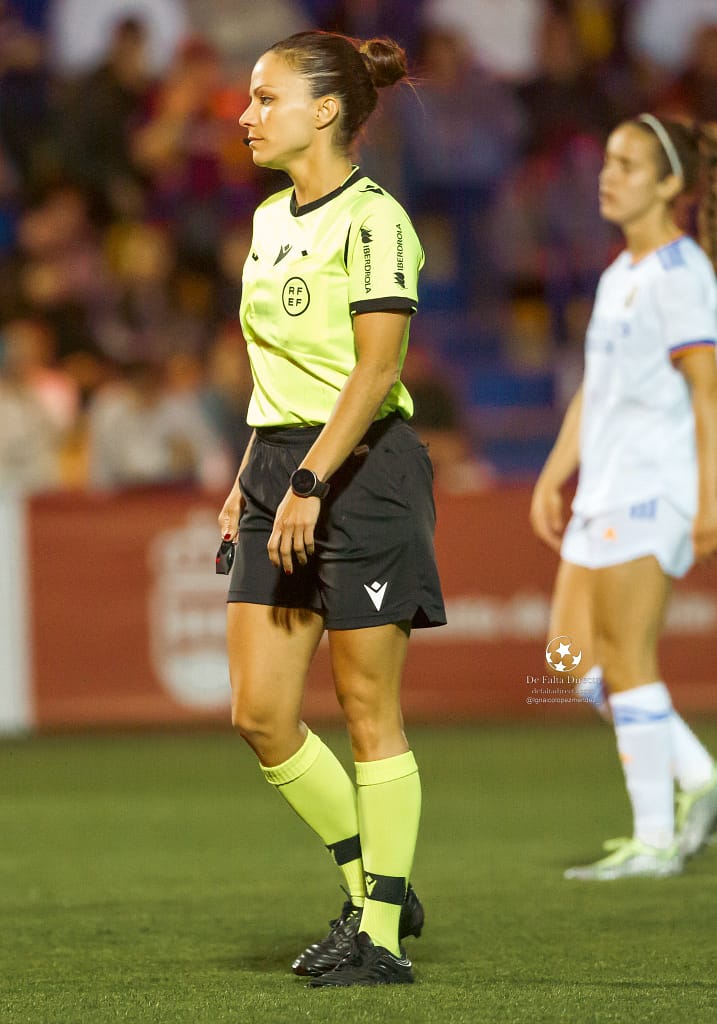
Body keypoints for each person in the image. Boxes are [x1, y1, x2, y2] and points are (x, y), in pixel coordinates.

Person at [217, 30, 446, 985]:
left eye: (265, 98)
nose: (244, 114)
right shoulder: (271, 221)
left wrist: (311, 479)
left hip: (360, 470)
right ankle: (374, 885)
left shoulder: (376, 220)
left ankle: (381, 939)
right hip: (280, 465)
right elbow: (278, 370)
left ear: (323, 111)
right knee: (260, 714)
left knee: (364, 708)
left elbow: (377, 370)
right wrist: (249, 479)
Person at [530, 114, 717, 881]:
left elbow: (708, 395)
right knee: (569, 656)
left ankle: (651, 840)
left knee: (626, 658)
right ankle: (698, 778)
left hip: (651, 488)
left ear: (670, 184)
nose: (607, 175)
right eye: (606, 161)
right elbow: (593, 393)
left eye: (627, 165)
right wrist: (552, 471)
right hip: (599, 492)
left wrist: (709, 497)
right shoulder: (619, 274)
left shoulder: (682, 276)